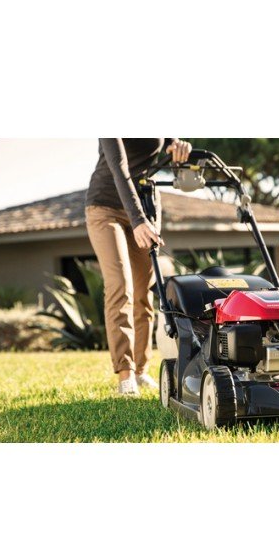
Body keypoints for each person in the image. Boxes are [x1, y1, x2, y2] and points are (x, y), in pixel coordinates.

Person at [85, 138, 192, 396]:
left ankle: (141, 370)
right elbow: (119, 166)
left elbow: (169, 144)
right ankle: (125, 374)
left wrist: (178, 147)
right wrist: (138, 221)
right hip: (105, 207)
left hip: (144, 205)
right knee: (120, 285)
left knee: (144, 291)